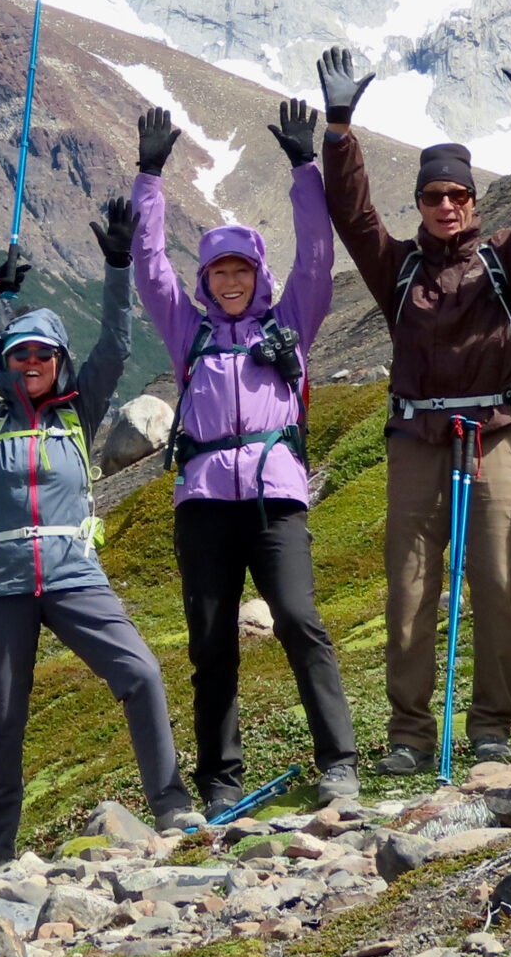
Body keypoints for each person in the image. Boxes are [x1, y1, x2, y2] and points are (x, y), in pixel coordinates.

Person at [0, 205, 203, 862]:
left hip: (76, 573)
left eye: (42, 354)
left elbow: (116, 343)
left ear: (58, 361)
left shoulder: (80, 410)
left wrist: (116, 268)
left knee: (139, 672)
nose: (29, 363)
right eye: (18, 353)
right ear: (5, 360)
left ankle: (172, 807)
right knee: (3, 725)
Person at [320, 38, 511, 773]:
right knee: (411, 588)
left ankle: (492, 727)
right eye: (434, 196)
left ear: (472, 201)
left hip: (494, 434)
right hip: (417, 438)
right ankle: (409, 737)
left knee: (496, 580)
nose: (448, 206)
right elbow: (351, 214)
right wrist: (338, 130)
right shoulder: (396, 268)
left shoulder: (505, 264)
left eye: (459, 195)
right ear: (420, 203)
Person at [131, 99, 361, 812]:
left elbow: (319, 255)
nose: (229, 283)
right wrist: (149, 176)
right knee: (210, 647)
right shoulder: (186, 331)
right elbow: (147, 264)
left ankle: (340, 764)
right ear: (204, 281)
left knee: (298, 620)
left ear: (258, 275)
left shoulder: (291, 322)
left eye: (241, 272)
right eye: (218, 274)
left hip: (276, 500)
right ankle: (220, 782)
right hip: (202, 504)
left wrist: (304, 168)